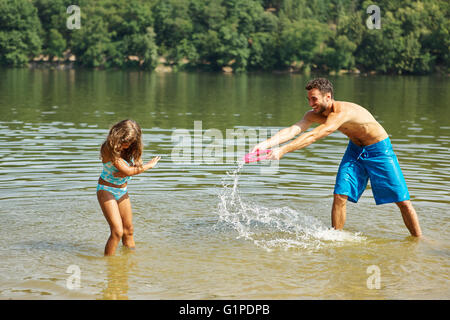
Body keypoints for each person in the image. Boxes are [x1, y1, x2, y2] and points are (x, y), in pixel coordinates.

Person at [252, 78, 422, 237]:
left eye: (314, 99)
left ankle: (419, 240)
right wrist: (265, 145)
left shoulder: (341, 112)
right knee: (340, 195)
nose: (311, 104)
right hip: (355, 150)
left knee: (402, 201)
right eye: (308, 100)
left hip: (379, 150)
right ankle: (336, 238)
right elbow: (294, 129)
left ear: (328, 96)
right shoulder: (313, 113)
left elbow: (315, 135)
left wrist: (283, 151)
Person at [97, 119, 161, 256]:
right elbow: (129, 171)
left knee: (129, 230)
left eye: (129, 143)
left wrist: (132, 167)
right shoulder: (108, 148)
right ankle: (109, 266)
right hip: (106, 190)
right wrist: (148, 166)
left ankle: (130, 260)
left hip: (122, 190)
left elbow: (132, 167)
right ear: (117, 136)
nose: (125, 145)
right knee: (117, 232)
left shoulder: (129, 148)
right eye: (123, 142)